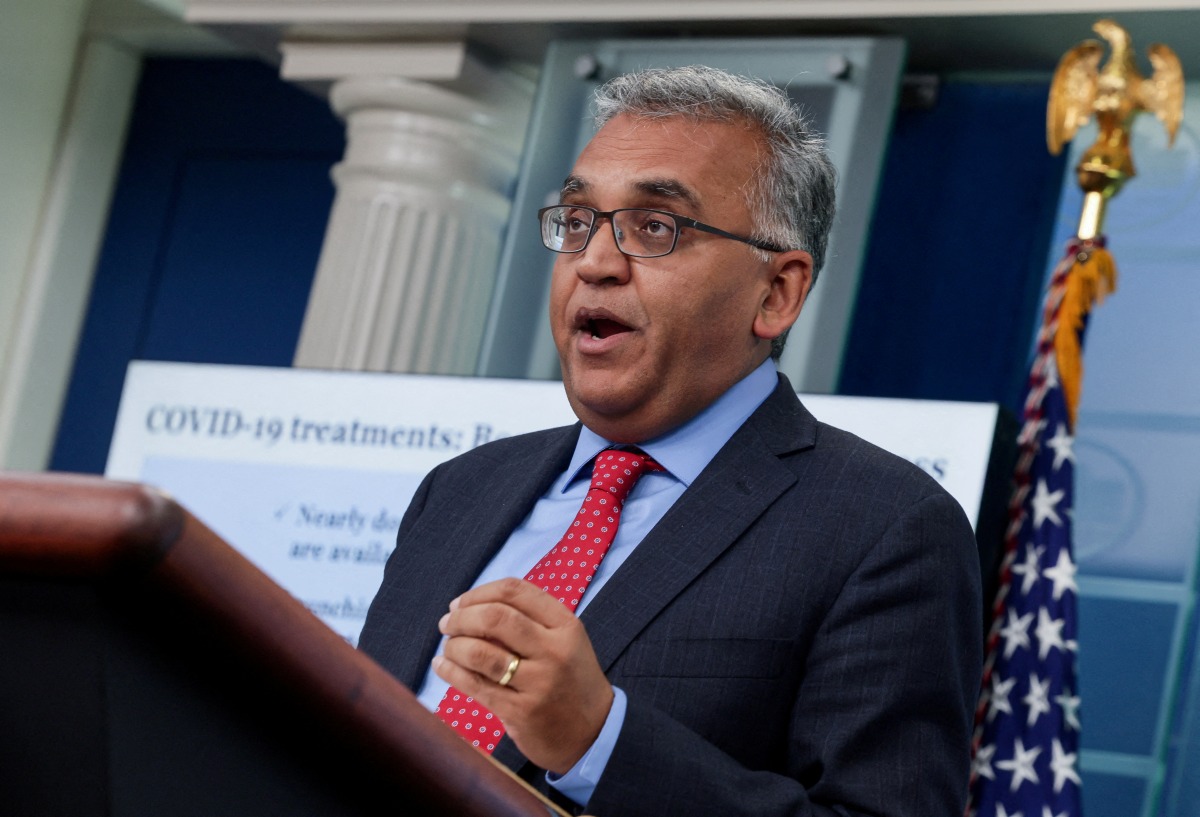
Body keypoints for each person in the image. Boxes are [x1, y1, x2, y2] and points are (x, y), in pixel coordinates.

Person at [359, 64, 982, 817]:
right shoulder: (460, 488)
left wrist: (600, 741)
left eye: (656, 227)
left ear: (776, 292)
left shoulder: (884, 528)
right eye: (579, 220)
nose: (593, 262)